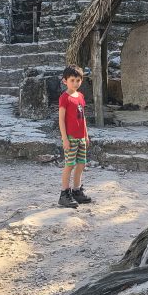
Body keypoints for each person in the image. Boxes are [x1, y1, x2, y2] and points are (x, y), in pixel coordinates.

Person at [57, 65, 93, 208]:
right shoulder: (64, 98)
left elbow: (82, 117)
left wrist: (86, 134)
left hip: (81, 137)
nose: (76, 83)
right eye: (72, 80)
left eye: (78, 80)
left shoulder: (80, 96)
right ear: (65, 81)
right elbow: (61, 120)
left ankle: (76, 190)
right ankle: (64, 194)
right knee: (70, 165)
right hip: (70, 137)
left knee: (81, 164)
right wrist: (65, 138)